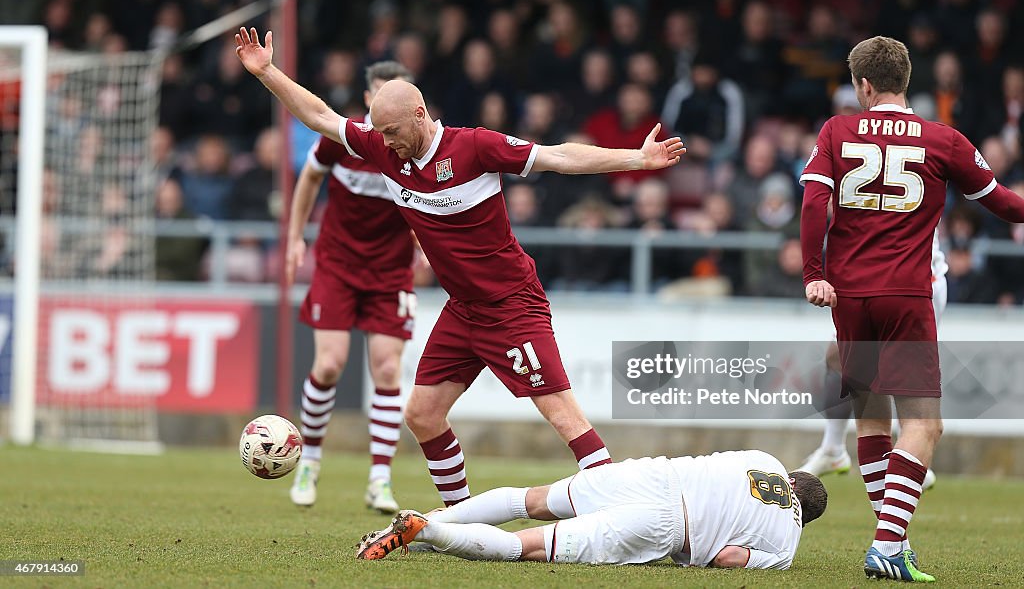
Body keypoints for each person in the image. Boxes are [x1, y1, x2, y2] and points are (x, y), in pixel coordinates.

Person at [235, 27, 685, 506]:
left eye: (392, 132)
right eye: (379, 134)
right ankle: (464, 517)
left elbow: (557, 156)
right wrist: (267, 72)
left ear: (420, 115)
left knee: (563, 417)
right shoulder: (383, 150)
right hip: (463, 310)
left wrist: (636, 158)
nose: (386, 143)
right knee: (423, 413)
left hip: (511, 304)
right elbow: (320, 116)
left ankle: (625, 511)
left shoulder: (475, 147)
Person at [800, 35, 1024, 582]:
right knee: (925, 425)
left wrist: (813, 274)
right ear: (906, 81)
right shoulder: (941, 138)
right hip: (907, 292)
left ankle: (890, 540)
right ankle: (887, 544)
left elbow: (812, 201)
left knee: (871, 418)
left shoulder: (836, 129)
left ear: (864, 85)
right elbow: (1002, 204)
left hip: (849, 296)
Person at [286, 61, 417, 513]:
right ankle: (310, 461)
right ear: (367, 99)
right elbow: (309, 178)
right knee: (328, 365)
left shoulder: (411, 148)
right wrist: (294, 237)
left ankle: (379, 479)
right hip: (338, 265)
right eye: (378, 97)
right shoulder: (343, 139)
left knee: (386, 370)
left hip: (390, 272)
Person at [355, 450, 826, 570]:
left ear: (791, 479)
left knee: (532, 500)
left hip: (649, 474)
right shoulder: (786, 545)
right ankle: (427, 532)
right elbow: (728, 558)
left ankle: (437, 517)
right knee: (526, 549)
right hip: (664, 525)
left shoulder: (766, 462)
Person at [796, 230, 945, 494]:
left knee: (896, 375)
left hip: (911, 283)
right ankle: (834, 448)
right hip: (869, 276)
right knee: (839, 357)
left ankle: (909, 454)